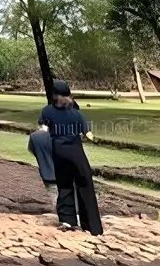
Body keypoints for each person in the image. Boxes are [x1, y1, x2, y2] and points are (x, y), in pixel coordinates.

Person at [38, 79, 103, 235]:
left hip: (58, 151)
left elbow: (42, 130)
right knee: (84, 183)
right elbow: (88, 134)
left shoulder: (47, 111)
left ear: (54, 95)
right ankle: (92, 225)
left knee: (64, 184)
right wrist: (94, 138)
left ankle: (67, 220)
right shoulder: (77, 114)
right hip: (75, 151)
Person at [27, 123, 58, 211]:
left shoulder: (34, 136)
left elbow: (31, 150)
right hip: (65, 174)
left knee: (54, 199)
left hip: (47, 174)